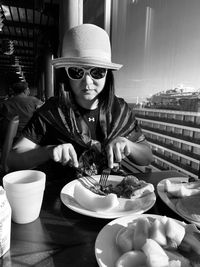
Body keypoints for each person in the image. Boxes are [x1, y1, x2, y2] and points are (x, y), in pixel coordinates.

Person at [7, 24, 153, 181]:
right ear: (66, 75)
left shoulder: (120, 110)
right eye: (77, 72)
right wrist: (48, 151)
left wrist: (128, 145)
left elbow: (146, 157)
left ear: (107, 75)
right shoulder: (52, 111)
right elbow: (14, 158)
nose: (87, 82)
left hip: (114, 194)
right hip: (66, 196)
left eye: (97, 72)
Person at [0, 81, 43, 146]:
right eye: (28, 89)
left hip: (9, 137)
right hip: (29, 137)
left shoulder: (5, 103)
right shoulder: (33, 100)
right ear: (25, 90)